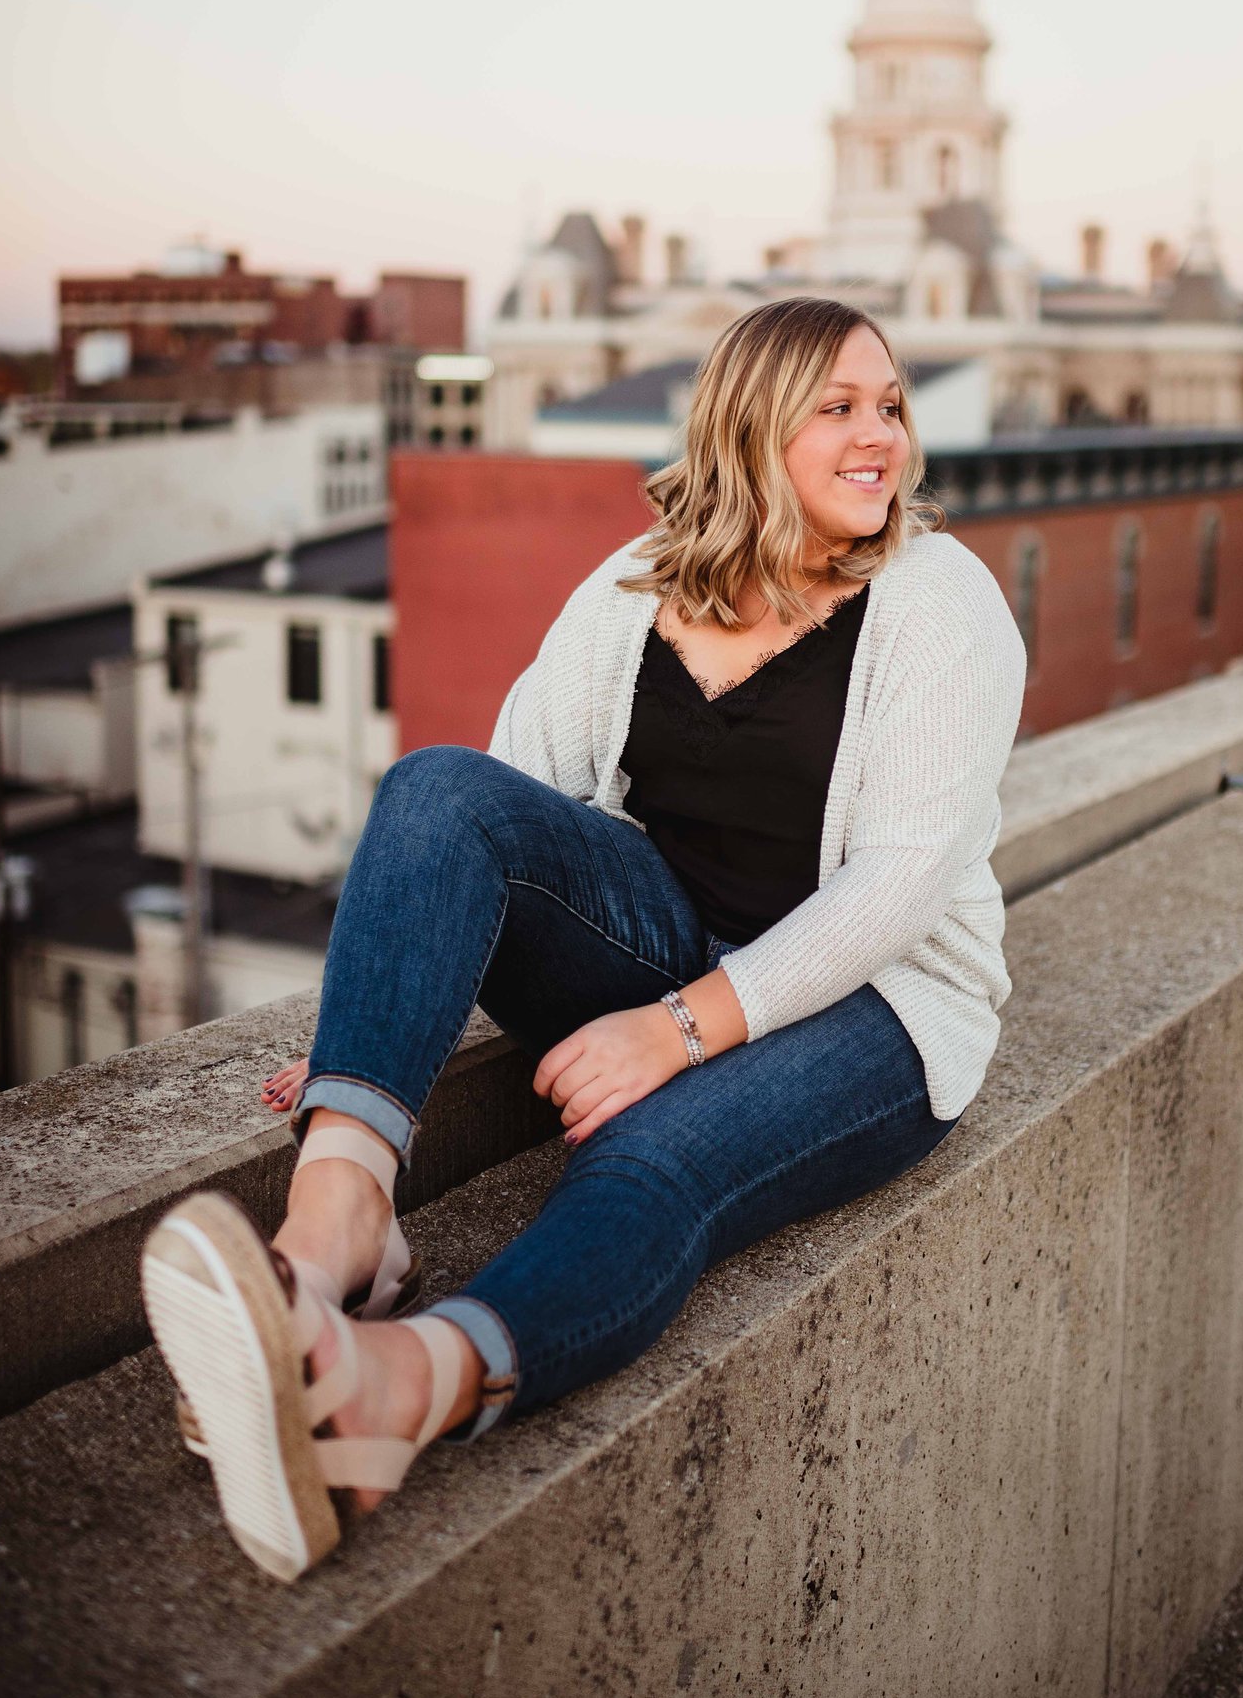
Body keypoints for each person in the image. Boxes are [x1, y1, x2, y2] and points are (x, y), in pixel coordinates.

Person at [140, 295, 1027, 1583]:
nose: (878, 435)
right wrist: (388, 1040)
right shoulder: (635, 585)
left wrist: (678, 1033)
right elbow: (501, 826)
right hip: (663, 942)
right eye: (836, 406)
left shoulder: (941, 604)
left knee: (656, 1158)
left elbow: (892, 893)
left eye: (889, 405)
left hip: (875, 1004)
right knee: (439, 789)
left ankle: (393, 1392)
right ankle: (332, 1241)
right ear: (750, 424)